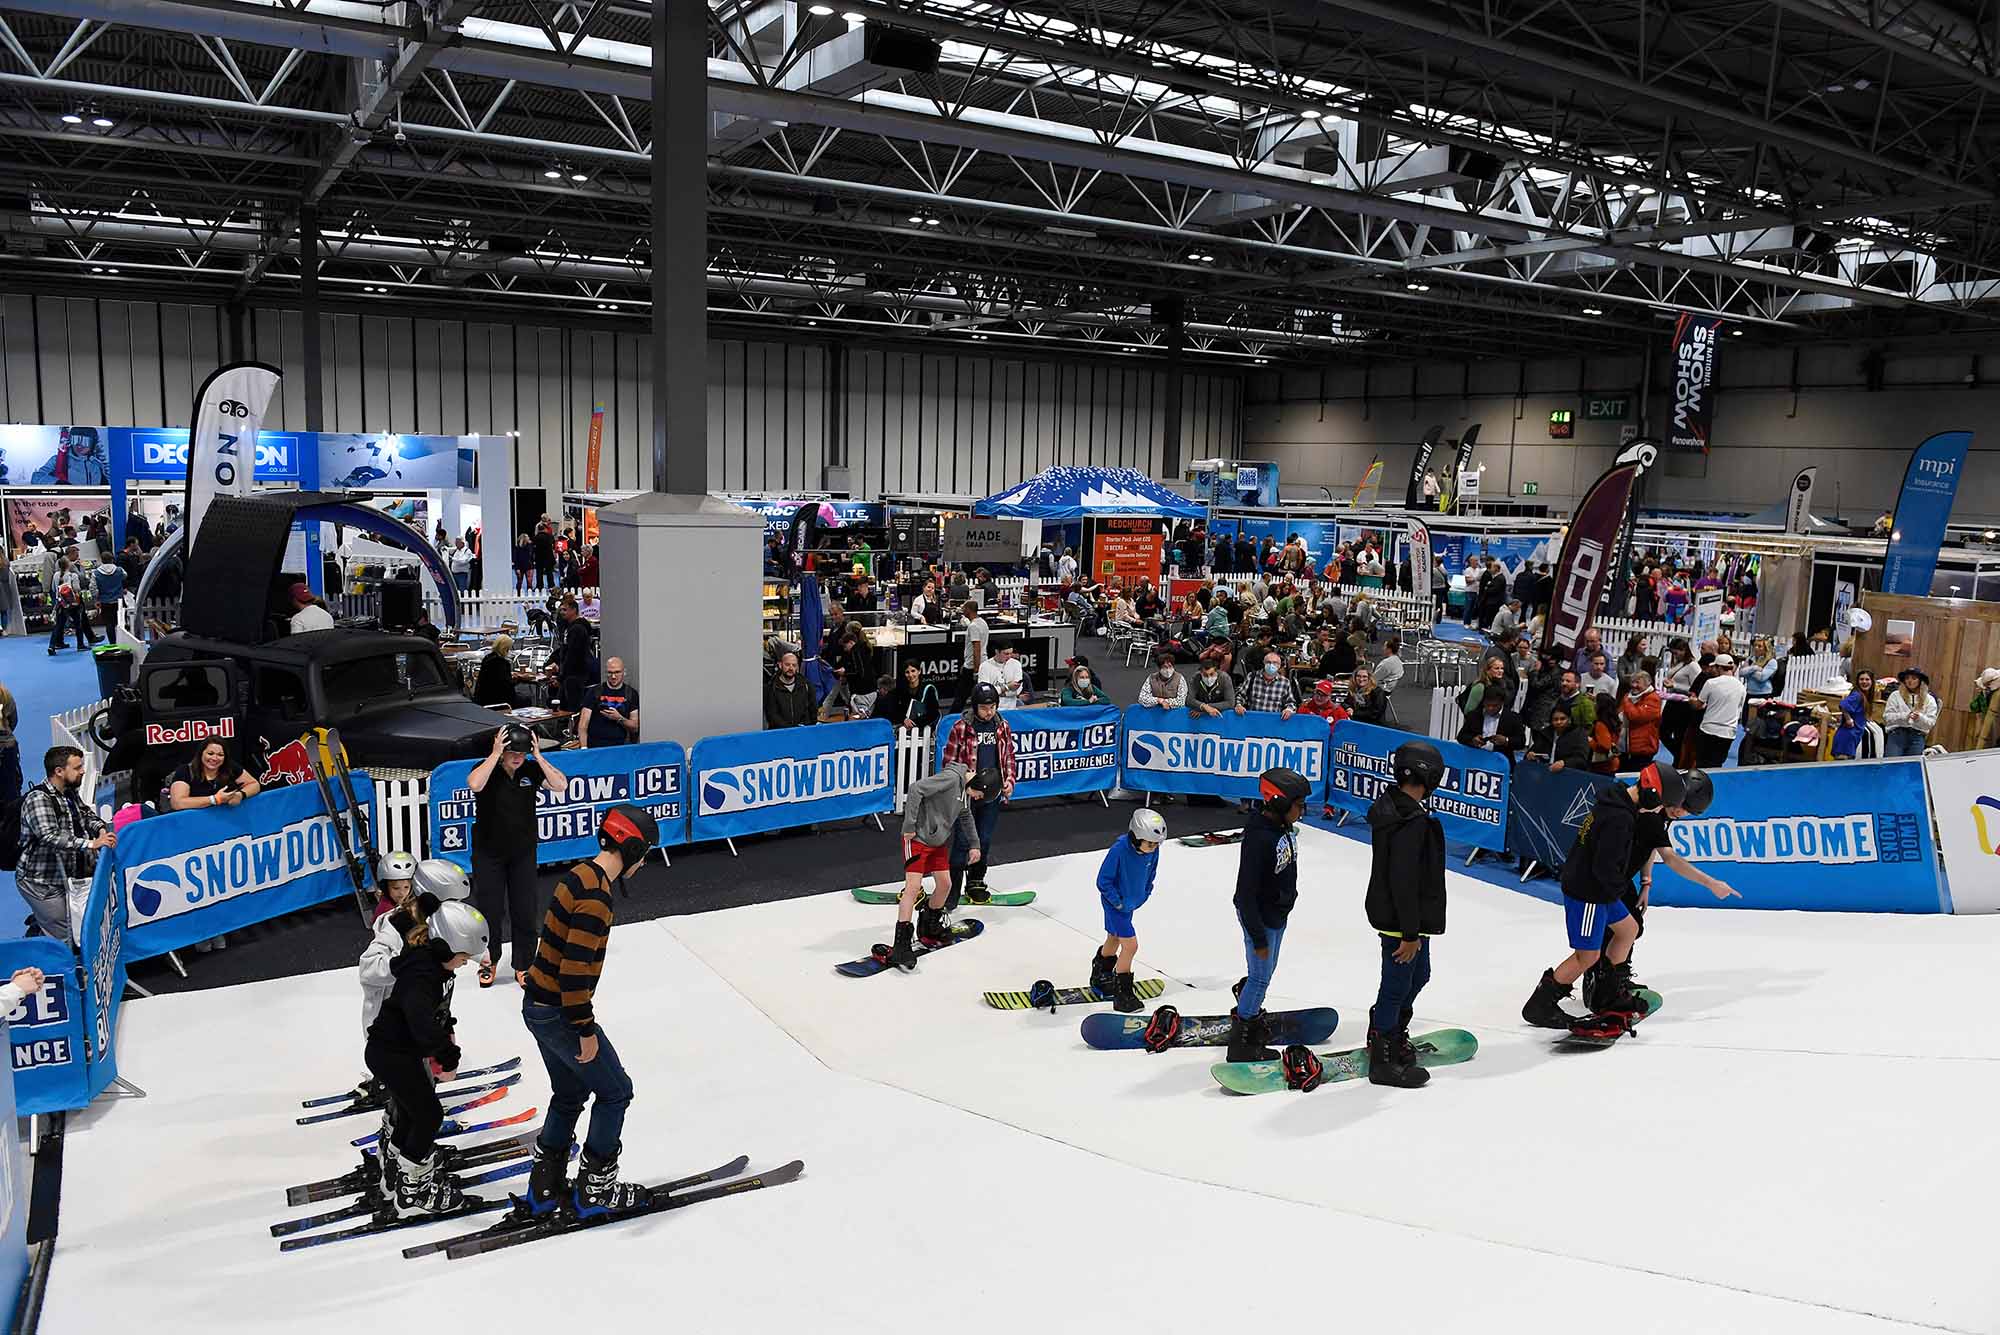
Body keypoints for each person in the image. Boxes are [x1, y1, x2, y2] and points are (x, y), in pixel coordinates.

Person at [518, 803, 661, 1218]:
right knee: (616, 1091)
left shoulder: (579, 874)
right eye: (644, 852)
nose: (643, 862)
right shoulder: (597, 897)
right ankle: (596, 1191)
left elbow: (552, 944)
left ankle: (543, 1186)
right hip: (561, 1012)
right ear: (632, 848)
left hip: (538, 1008)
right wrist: (584, 1029)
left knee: (569, 1093)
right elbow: (574, 974)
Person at [1522, 765, 1736, 1029]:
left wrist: (1643, 884)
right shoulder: (1623, 819)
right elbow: (1606, 866)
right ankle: (1542, 1004)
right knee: (1588, 954)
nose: (1665, 811)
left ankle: (1609, 992)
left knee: (1629, 929)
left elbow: (1638, 851)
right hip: (1592, 891)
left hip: (1605, 885)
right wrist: (1710, 883)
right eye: (1669, 806)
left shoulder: (1623, 800)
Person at [365, 899, 489, 1215]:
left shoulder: (428, 956)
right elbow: (418, 1017)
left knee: (412, 1112)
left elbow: (407, 923)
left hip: (393, 1051)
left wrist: (423, 907)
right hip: (392, 1053)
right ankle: (413, 1193)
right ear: (447, 949)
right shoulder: (423, 974)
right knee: (429, 1115)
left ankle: (395, 1175)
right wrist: (445, 1052)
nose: (465, 964)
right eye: (463, 958)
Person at [1361, 740, 1446, 1089]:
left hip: (1402, 914)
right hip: (1401, 920)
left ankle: (1388, 1025)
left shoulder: (1396, 808)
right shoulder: (1410, 821)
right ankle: (1383, 1057)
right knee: (1396, 985)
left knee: (1419, 975)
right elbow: (1404, 879)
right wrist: (1411, 933)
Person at [466, 724, 569, 988]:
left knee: (525, 909)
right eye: (512, 751)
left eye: (522, 752)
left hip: (522, 852)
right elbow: (475, 785)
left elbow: (560, 785)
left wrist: (539, 756)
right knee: (490, 909)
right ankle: (489, 961)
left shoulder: (530, 769)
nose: (517, 757)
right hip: (488, 853)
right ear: (502, 750)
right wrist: (494, 753)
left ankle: (524, 964)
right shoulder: (485, 767)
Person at [1228, 767, 1311, 1062]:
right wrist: (1258, 936)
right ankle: (1242, 1043)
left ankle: (1245, 991)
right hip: (1259, 918)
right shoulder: (1260, 838)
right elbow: (1246, 894)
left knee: (1266, 972)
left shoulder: (1282, 829)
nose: (1303, 810)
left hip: (1276, 914)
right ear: (1278, 802)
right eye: (1298, 805)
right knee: (1261, 978)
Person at [890, 761, 997, 969]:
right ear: (980, 785)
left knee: (945, 885)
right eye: (980, 796)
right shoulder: (950, 779)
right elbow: (916, 789)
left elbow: (965, 816)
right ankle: (900, 945)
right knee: (912, 888)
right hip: (918, 839)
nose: (977, 799)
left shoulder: (965, 789)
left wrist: (975, 845)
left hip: (938, 842)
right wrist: (909, 825)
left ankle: (929, 924)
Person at [15, 746, 112, 943]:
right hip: (41, 882)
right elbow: (49, 835)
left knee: (78, 925)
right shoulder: (38, 799)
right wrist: (91, 844)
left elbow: (85, 814)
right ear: (59, 771)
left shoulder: (68, 792)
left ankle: (41, 923)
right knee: (64, 936)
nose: (83, 771)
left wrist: (100, 828)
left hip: (66, 876)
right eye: (77, 767)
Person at [939, 683, 1015, 899]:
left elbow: (1008, 756)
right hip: (966, 796)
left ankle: (975, 881)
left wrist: (1009, 781)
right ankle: (952, 887)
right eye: (984, 707)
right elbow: (949, 762)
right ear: (975, 707)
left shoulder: (1002, 726)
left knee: (984, 838)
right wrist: (964, 778)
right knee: (963, 840)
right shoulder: (961, 727)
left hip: (992, 795)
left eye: (992, 707)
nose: (989, 711)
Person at [1091, 808, 1167, 1012]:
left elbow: (1151, 873)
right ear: (1135, 836)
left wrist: (1145, 893)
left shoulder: (1153, 850)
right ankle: (1122, 993)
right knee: (1130, 946)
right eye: (1149, 844)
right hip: (1115, 904)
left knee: (1114, 938)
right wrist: (1118, 903)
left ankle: (1101, 974)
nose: (1153, 848)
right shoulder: (1119, 849)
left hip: (1130, 903)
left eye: (1156, 844)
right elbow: (1103, 881)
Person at [169, 739, 262, 811]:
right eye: (210, 753)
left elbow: (254, 784)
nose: (215, 758)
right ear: (201, 753)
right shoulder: (185, 771)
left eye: (220, 755)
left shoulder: (230, 767)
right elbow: (177, 803)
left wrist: (240, 795)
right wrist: (215, 799)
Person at [1691, 654, 1746, 768]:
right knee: (1717, 764)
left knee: (1702, 763)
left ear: (1719, 668)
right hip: (1728, 732)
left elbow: (1698, 705)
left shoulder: (1711, 683)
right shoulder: (1741, 687)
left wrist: (1691, 700)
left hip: (1708, 729)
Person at [577, 657, 640, 748]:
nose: (613, 676)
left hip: (619, 747)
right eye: (610, 672)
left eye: (617, 672)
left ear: (624, 672)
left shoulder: (631, 694)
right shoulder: (594, 691)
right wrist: (584, 748)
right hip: (594, 746)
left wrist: (619, 718)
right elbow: (583, 724)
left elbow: (635, 727)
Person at [1882, 668, 1939, 757]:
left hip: (1917, 737)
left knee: (1911, 768)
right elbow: (1887, 717)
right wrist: (1905, 716)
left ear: (1920, 681)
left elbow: (1931, 723)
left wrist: (1920, 718)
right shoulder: (1895, 695)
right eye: (1907, 678)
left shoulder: (1929, 699)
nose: (1910, 681)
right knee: (1891, 765)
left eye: (1914, 678)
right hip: (1897, 735)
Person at [1457, 688, 1524, 761]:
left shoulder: (1513, 718)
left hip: (1501, 762)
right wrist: (1472, 740)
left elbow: (1521, 742)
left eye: (1495, 705)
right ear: (1483, 702)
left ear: (1502, 703)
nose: (1490, 708)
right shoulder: (1474, 715)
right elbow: (1461, 736)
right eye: (1487, 705)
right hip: (1476, 760)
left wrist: (1506, 740)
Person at [875, 663, 941, 734]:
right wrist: (904, 719)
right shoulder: (901, 689)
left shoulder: (928, 689)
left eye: (913, 671)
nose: (910, 675)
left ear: (919, 671)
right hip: (904, 729)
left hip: (924, 729)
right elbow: (894, 708)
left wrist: (913, 723)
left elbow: (933, 713)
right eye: (907, 672)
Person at [1619, 670, 1663, 771]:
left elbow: (1636, 717)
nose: (1634, 685)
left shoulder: (1653, 699)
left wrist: (1627, 702)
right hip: (1626, 747)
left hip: (1643, 748)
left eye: (1637, 682)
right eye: (1632, 682)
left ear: (1648, 683)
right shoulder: (1630, 697)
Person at [472, 634, 531, 708]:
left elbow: (496, 678)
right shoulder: (502, 662)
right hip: (498, 700)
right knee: (526, 699)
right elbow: (507, 685)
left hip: (482, 698)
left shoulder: (487, 658)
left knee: (521, 696)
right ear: (505, 649)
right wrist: (519, 678)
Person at [763, 650, 817, 729]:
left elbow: (813, 710)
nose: (791, 668)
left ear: (797, 667)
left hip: (802, 732)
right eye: (787, 664)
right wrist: (790, 729)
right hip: (780, 734)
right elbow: (772, 715)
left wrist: (808, 727)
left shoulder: (807, 685)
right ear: (780, 665)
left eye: (794, 665)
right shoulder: (771, 688)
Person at [1832, 671, 1877, 759]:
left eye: (1867, 679)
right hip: (1846, 737)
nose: (1864, 682)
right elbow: (1843, 704)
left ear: (1872, 682)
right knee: (1842, 768)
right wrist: (1848, 719)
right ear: (1857, 681)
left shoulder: (1864, 696)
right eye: (1861, 679)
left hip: (1852, 737)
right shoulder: (1857, 695)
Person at [1243, 648, 1298, 719]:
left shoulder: (1285, 682)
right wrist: (1239, 705)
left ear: (1279, 666)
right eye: (1268, 662)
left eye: (1275, 663)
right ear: (1263, 663)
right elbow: (1240, 695)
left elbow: (1291, 702)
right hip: (1253, 719)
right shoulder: (1252, 677)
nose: (1271, 665)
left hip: (1274, 721)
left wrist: (1289, 710)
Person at [953, 600, 989, 708]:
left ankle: (951, 719)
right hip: (979, 663)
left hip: (972, 667)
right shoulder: (982, 622)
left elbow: (976, 648)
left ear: (969, 610)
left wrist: (976, 671)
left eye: (964, 608)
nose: (963, 611)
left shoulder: (973, 626)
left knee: (960, 696)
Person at [976, 642, 1029, 710]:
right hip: (992, 710)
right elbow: (985, 692)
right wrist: (1007, 687)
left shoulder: (1016, 664)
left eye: (1011, 653)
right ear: (997, 651)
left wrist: (1000, 693)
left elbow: (1018, 690)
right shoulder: (985, 666)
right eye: (1006, 654)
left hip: (1011, 708)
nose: (1009, 656)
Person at [1542, 702, 1589, 771]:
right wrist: (1529, 755)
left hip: (1568, 773)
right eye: (1555, 719)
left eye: (1562, 719)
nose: (1559, 722)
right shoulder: (1545, 733)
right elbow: (1534, 750)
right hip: (1544, 772)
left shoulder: (1579, 733)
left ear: (1569, 720)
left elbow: (1581, 759)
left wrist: (1564, 763)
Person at [91, 552, 124, 645]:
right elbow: (125, 576)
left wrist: (96, 599)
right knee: (121, 622)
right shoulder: (119, 570)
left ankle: (112, 643)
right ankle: (122, 641)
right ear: (112, 559)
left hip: (104, 601)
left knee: (109, 624)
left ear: (102, 560)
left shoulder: (96, 573)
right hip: (119, 600)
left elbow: (93, 587)